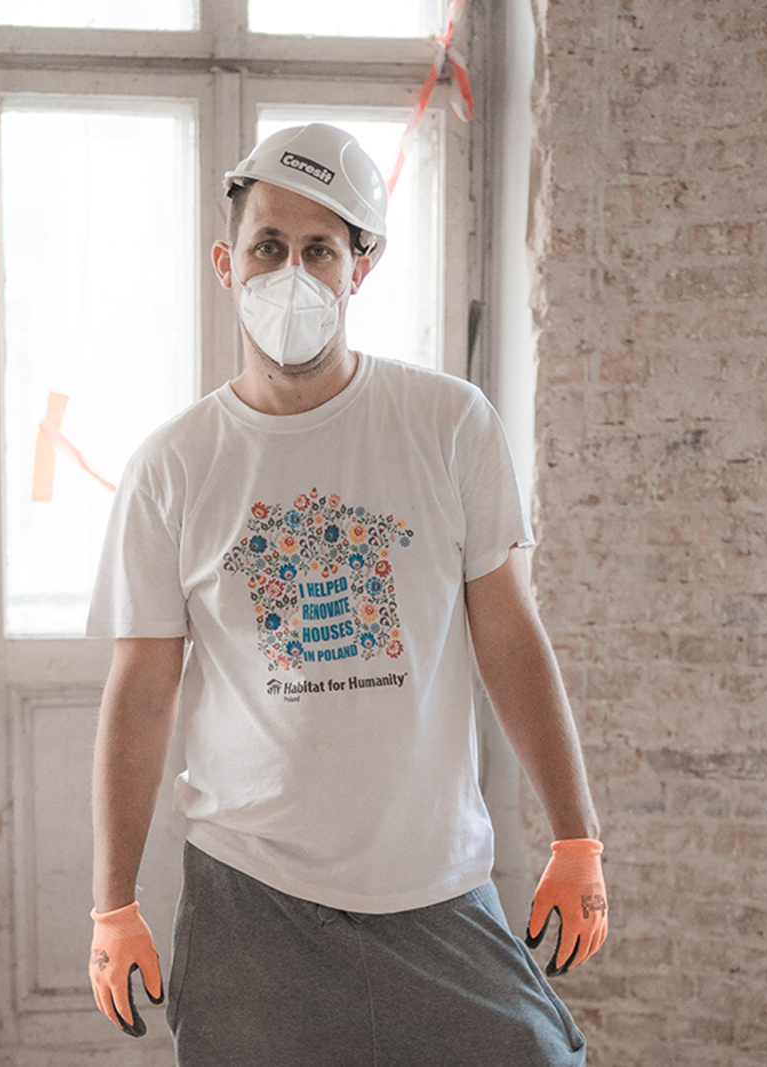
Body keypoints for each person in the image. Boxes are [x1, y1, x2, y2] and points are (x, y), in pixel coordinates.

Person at [86, 123, 607, 1066]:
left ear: (360, 266)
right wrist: (113, 902)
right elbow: (141, 695)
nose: (291, 272)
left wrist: (578, 836)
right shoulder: (175, 467)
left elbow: (512, 638)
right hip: (252, 897)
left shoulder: (448, 425)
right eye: (269, 248)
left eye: (320, 249)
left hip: (434, 881)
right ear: (226, 262)